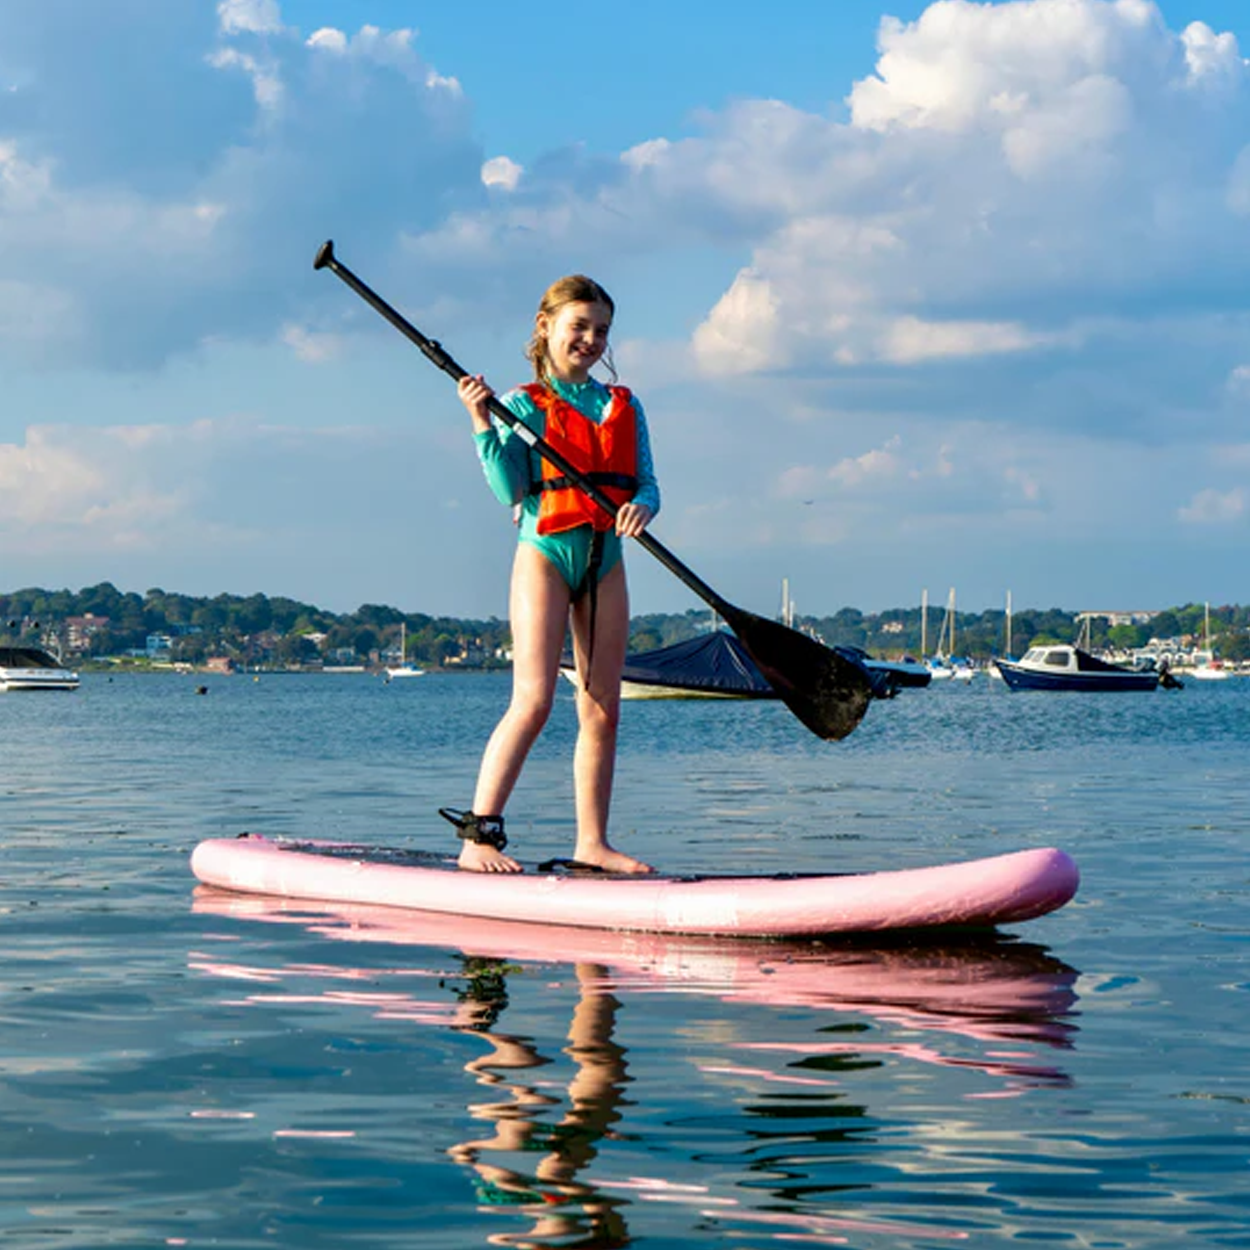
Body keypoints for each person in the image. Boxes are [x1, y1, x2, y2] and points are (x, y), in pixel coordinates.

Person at [448, 274, 660, 874]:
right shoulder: (519, 407)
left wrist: (644, 505)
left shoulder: (624, 405)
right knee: (535, 700)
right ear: (546, 328)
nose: (590, 340)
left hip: (606, 559)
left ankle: (592, 843)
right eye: (579, 327)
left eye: (601, 331)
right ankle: (479, 836)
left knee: (602, 707)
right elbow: (510, 488)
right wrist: (480, 422)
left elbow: (646, 479)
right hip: (544, 554)